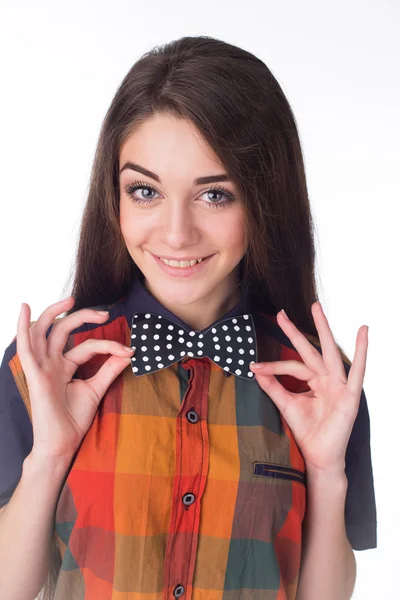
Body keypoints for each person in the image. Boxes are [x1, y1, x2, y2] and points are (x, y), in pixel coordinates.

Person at [0, 35, 377, 600]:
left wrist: (326, 475)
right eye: (145, 190)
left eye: (215, 195)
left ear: (265, 197)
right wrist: (50, 457)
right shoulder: (53, 365)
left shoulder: (318, 382)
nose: (176, 234)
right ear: (115, 195)